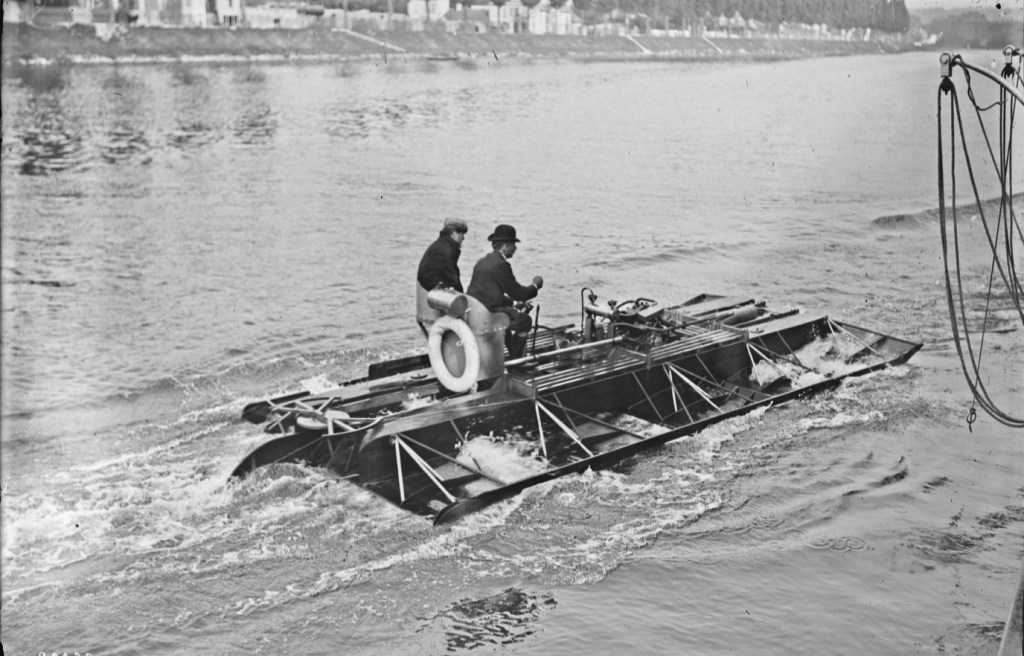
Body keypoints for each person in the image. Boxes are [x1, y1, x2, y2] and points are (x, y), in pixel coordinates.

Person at [466, 224, 544, 358]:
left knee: (508, 314)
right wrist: (535, 285)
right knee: (525, 321)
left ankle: (513, 353)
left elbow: (487, 293)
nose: (516, 248)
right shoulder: (501, 265)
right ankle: (517, 359)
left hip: (474, 311)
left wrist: (513, 305)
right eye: (514, 244)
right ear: (506, 246)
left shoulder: (483, 261)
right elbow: (519, 294)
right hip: (487, 315)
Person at [417, 218, 468, 293]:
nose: (463, 238)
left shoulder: (440, 245)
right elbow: (450, 278)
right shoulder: (445, 251)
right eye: (461, 234)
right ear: (454, 234)